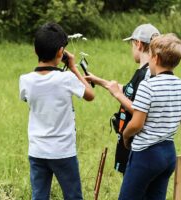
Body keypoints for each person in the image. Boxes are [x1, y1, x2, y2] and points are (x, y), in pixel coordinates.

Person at [118, 34, 181, 200]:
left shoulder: (147, 86)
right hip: (168, 155)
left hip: (145, 155)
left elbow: (136, 124)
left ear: (155, 58)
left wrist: (125, 136)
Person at [19, 22, 94, 200]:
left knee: (39, 196)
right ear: (61, 52)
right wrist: (74, 67)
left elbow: (26, 98)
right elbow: (90, 95)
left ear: (35, 51)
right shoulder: (66, 78)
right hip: (63, 151)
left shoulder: (25, 80)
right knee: (73, 196)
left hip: (37, 150)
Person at [85, 24, 160, 174]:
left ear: (138, 44)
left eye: (132, 44)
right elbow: (129, 90)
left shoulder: (147, 74)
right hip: (131, 143)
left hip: (134, 143)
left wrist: (117, 95)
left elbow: (141, 110)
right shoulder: (143, 71)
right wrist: (99, 81)